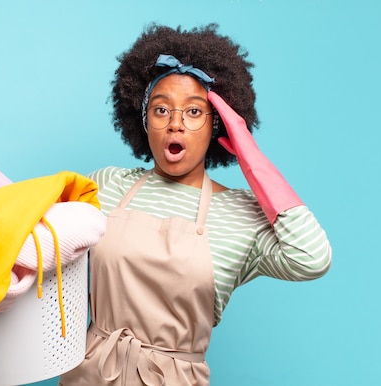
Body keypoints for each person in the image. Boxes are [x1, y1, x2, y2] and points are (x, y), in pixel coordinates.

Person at [59, 23, 332, 385]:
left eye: (193, 112)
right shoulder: (107, 184)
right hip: (90, 374)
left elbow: (311, 258)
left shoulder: (242, 213)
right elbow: (39, 244)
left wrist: (251, 156)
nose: (175, 124)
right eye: (161, 110)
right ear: (144, 123)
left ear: (216, 126)